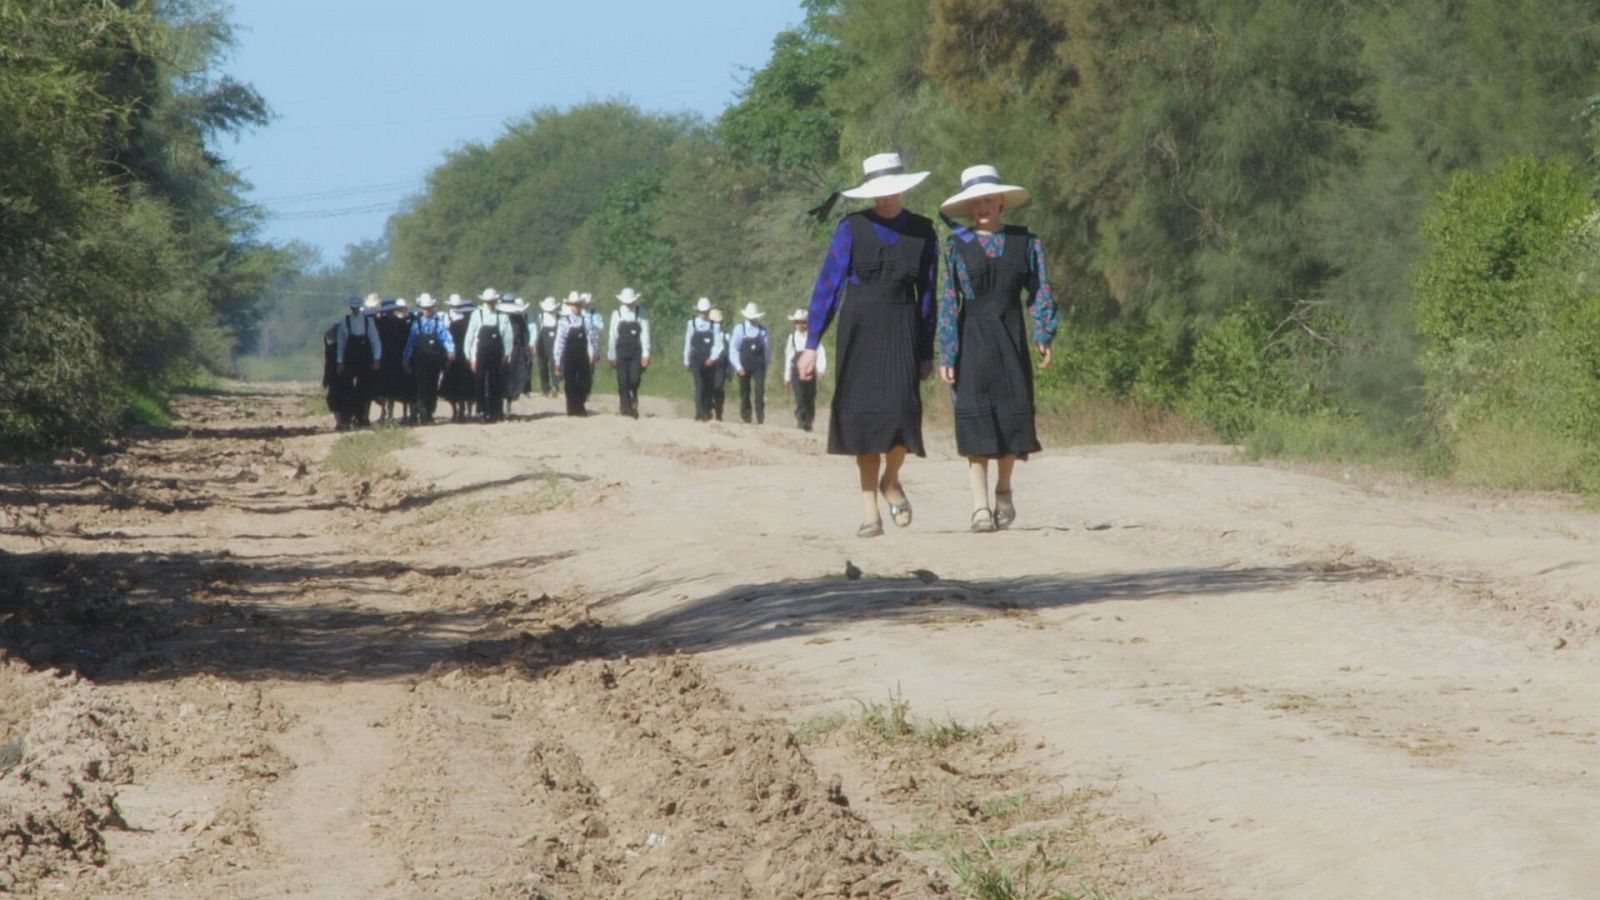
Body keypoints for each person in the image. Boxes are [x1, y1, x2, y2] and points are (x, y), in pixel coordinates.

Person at [795, 152, 938, 538]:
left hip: (903, 328)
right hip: (860, 329)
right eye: (879, 192)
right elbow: (828, 286)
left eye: (892, 191)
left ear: (903, 189)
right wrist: (811, 344)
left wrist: (926, 350)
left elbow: (928, 296)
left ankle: (891, 480)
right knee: (863, 420)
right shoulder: (850, 228)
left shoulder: (924, 231)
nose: (886, 198)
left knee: (900, 416)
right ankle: (869, 511)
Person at [937, 164, 1058, 532]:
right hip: (971, 337)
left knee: (1010, 418)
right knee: (975, 421)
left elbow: (1040, 291)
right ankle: (979, 507)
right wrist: (947, 351)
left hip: (1011, 336)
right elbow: (948, 301)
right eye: (976, 202)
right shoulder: (957, 245)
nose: (982, 207)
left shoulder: (1027, 243)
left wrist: (1043, 333)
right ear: (969, 208)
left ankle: (1004, 490)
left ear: (1001, 201)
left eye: (988, 199)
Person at [402, 293, 457, 425]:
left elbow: (446, 337)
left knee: (432, 387)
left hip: (434, 360)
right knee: (421, 387)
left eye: (429, 308)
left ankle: (430, 412)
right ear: (422, 309)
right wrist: (405, 359)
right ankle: (423, 413)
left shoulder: (438, 323)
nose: (427, 310)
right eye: (425, 308)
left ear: (433, 307)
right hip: (420, 360)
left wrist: (451, 350)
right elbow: (411, 342)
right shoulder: (416, 324)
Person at [335, 293, 385, 429]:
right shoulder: (345, 321)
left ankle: (363, 416)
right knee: (348, 389)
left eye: (357, 307)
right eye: (353, 308)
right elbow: (341, 343)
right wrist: (340, 361)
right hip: (350, 359)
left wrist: (376, 358)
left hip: (364, 359)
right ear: (350, 308)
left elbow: (375, 340)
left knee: (365, 389)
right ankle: (347, 417)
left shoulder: (368, 321)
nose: (355, 310)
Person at [465, 288, 514, 423]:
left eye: (493, 301)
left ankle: (495, 411)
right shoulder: (476, 314)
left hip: (496, 353)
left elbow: (508, 336)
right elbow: (470, 336)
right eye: (488, 302)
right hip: (480, 353)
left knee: (495, 382)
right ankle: (481, 410)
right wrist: (470, 357)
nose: (491, 304)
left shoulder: (502, 316)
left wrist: (507, 353)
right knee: (480, 382)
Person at [554, 290, 600, 415]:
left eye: (578, 305)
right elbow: (559, 342)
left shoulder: (586, 321)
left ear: (581, 306)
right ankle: (572, 408)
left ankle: (580, 405)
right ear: (570, 306)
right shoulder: (564, 322)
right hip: (569, 357)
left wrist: (594, 353)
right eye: (574, 305)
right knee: (570, 383)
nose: (576, 307)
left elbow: (593, 338)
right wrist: (558, 361)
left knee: (584, 382)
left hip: (582, 356)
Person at [608, 287, 650, 418]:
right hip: (621, 351)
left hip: (636, 351)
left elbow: (645, 334)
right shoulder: (617, 314)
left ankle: (633, 395)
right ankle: (625, 408)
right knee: (622, 380)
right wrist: (611, 354)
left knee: (634, 378)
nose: (629, 304)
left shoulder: (641, 313)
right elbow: (613, 335)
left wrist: (646, 354)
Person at [781, 309, 826, 432]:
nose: (800, 325)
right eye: (797, 322)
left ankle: (809, 421)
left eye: (803, 322)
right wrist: (787, 377)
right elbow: (788, 357)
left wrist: (821, 369)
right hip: (796, 371)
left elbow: (820, 352)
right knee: (800, 396)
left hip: (809, 370)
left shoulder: (813, 337)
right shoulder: (792, 337)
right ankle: (801, 421)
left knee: (810, 397)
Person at [682, 297, 723, 422]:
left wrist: (712, 358)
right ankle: (699, 412)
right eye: (702, 311)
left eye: (706, 311)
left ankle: (706, 410)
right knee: (699, 385)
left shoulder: (714, 326)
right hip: (696, 359)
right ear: (698, 311)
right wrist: (686, 360)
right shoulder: (691, 324)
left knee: (708, 386)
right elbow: (688, 343)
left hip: (709, 360)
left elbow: (718, 344)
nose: (704, 314)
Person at [729, 302, 771, 425]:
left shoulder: (763, 330)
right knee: (745, 391)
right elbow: (733, 348)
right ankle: (746, 417)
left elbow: (767, 348)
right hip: (744, 365)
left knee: (759, 391)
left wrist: (766, 362)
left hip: (759, 365)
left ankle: (760, 417)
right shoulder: (739, 329)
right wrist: (738, 366)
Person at [375, 297, 413, 425]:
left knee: (388, 388)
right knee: (398, 387)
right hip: (395, 359)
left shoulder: (379, 324)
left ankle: (387, 414)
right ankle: (399, 414)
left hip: (387, 359)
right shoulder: (402, 324)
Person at [440, 293, 476, 422]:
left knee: (453, 386)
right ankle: (465, 410)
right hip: (468, 358)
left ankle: (457, 410)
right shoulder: (475, 325)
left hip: (456, 357)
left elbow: (449, 341)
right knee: (469, 385)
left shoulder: (455, 325)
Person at [501, 295, 532, 418]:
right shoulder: (500, 317)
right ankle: (501, 406)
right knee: (501, 378)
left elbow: (525, 336)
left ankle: (508, 405)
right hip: (501, 350)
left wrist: (526, 351)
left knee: (514, 378)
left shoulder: (518, 318)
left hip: (516, 351)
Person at [322, 304, 349, 430]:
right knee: (341, 398)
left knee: (336, 399)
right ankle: (342, 421)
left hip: (338, 378)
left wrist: (325, 380)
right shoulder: (345, 348)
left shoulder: (332, 348)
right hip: (340, 377)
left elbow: (327, 365)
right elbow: (328, 365)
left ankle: (341, 421)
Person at [708, 308, 731, 421]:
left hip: (721, 365)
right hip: (708, 364)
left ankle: (719, 410)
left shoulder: (726, 336)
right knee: (708, 387)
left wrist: (730, 371)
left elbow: (730, 354)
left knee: (718, 388)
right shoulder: (706, 335)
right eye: (714, 322)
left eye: (718, 322)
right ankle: (708, 408)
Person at [535, 296, 560, 397]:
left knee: (554, 364)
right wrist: (535, 344)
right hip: (542, 344)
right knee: (542, 366)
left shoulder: (559, 318)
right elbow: (537, 332)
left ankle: (555, 386)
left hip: (555, 344)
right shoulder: (541, 318)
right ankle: (545, 387)